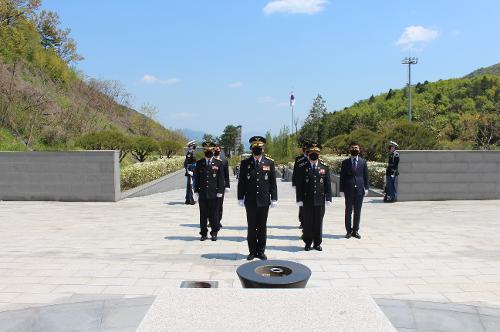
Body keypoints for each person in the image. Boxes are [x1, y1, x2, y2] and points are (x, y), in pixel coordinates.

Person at [237, 136, 278, 261]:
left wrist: (274, 198)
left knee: (262, 227)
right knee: (251, 227)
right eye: (255, 148)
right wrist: (240, 197)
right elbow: (242, 182)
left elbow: (272, 182)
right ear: (251, 149)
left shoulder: (269, 163)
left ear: (263, 148)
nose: (257, 150)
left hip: (264, 200)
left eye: (259, 148)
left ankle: (261, 251)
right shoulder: (245, 163)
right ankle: (252, 251)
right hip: (250, 201)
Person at [295, 144, 332, 251]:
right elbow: (299, 185)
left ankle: (317, 243)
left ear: (319, 154)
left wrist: (328, 198)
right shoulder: (303, 167)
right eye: (312, 153)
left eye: (316, 154)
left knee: (318, 222)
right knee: (307, 222)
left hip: (320, 200)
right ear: (308, 154)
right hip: (307, 200)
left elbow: (327, 184)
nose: (314, 155)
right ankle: (307, 242)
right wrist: (299, 199)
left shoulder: (324, 167)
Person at [194, 141, 225, 241]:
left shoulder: (218, 163)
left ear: (213, 150)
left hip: (214, 193)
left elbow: (221, 178)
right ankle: (203, 233)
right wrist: (196, 191)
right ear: (204, 151)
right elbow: (196, 178)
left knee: (214, 214)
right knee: (203, 214)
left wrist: (220, 190)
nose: (208, 152)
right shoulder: (199, 163)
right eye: (206, 150)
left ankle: (214, 232)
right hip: (202, 193)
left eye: (210, 150)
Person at [339, 142, 369, 239]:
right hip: (348, 189)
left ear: (359, 150)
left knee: (358, 211)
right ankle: (348, 231)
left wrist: (367, 187)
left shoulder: (363, 162)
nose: (354, 149)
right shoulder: (345, 162)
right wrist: (341, 190)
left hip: (360, 189)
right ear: (349, 149)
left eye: (356, 148)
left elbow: (366, 176)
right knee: (348, 211)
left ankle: (355, 231)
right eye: (352, 148)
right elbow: (342, 177)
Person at [292, 141, 310, 229]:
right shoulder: (298, 159)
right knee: (301, 203)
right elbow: (295, 171)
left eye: (307, 149)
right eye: (304, 148)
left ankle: (308, 221)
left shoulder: (314, 157)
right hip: (300, 185)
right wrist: (294, 182)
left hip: (310, 185)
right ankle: (302, 221)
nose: (305, 150)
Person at [214, 144, 230, 226]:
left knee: (220, 204)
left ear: (220, 151)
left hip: (221, 186)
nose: (216, 151)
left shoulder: (224, 161)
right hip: (211, 186)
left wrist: (227, 185)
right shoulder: (210, 160)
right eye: (215, 149)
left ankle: (218, 220)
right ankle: (211, 220)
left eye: (218, 149)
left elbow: (226, 174)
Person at [183, 140, 197, 205]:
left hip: (193, 169)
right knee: (191, 184)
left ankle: (188, 199)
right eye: (192, 145)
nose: (193, 146)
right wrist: (188, 171)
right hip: (191, 169)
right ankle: (191, 199)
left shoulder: (192, 152)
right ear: (190, 146)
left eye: (194, 145)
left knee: (191, 184)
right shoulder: (189, 153)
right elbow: (186, 163)